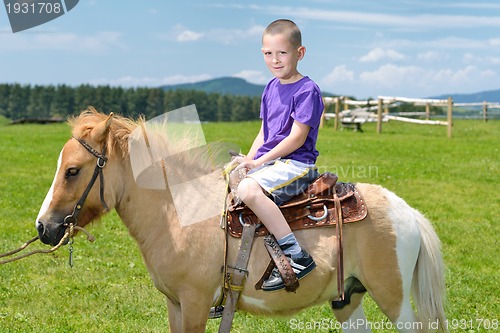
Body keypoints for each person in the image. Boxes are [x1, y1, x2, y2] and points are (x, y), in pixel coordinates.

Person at [233, 19, 324, 291]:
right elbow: (264, 132)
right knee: (227, 180)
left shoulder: (308, 90)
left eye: (282, 53)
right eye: (268, 53)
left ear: (300, 53)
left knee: (248, 191)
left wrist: (259, 163)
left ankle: (296, 255)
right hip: (271, 162)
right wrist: (247, 161)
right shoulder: (270, 88)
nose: (275, 60)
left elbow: (296, 138)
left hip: (296, 163)